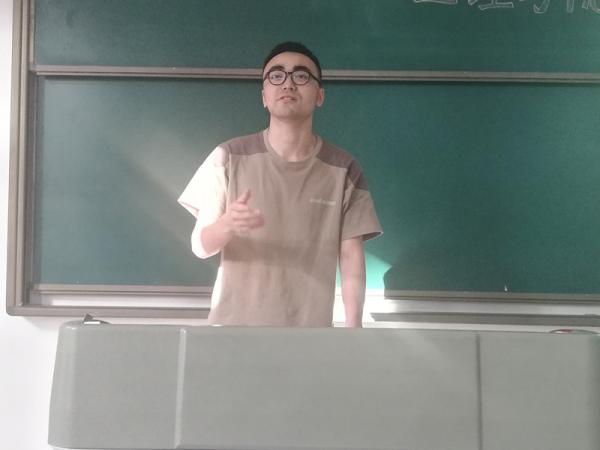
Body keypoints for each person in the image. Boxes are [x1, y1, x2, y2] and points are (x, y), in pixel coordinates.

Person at [178, 42, 382, 327]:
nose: (288, 83)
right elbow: (200, 247)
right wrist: (227, 224)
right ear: (264, 96)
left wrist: (354, 327)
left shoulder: (344, 169)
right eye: (276, 76)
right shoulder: (228, 157)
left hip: (308, 334)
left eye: (301, 75)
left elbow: (351, 257)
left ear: (320, 95)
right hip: (231, 332)